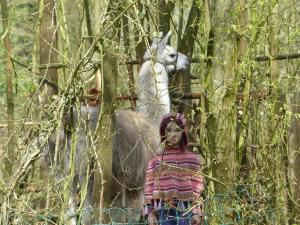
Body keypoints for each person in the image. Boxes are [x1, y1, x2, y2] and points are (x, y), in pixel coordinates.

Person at [143, 113, 204, 225]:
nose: (173, 134)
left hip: (186, 211)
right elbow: (149, 188)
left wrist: (196, 213)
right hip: (163, 211)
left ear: (183, 132)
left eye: (177, 130)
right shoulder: (156, 160)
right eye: (169, 130)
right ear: (163, 133)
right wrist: (150, 213)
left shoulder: (192, 159)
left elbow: (198, 189)